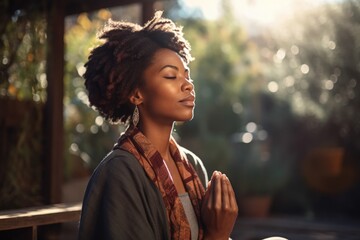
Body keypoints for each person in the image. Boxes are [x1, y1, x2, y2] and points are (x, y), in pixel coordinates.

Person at [78, 11, 238, 240]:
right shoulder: (120, 173)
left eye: (187, 75)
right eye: (171, 76)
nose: (188, 85)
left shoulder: (192, 166)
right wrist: (217, 233)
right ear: (136, 94)